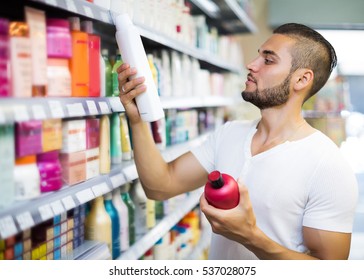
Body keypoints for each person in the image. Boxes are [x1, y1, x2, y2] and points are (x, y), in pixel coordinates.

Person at [117, 23, 358, 260]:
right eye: (258, 56)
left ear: (302, 79)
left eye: (268, 60)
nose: (251, 65)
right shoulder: (230, 134)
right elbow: (160, 186)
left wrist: (249, 236)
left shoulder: (327, 166)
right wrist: (138, 121)